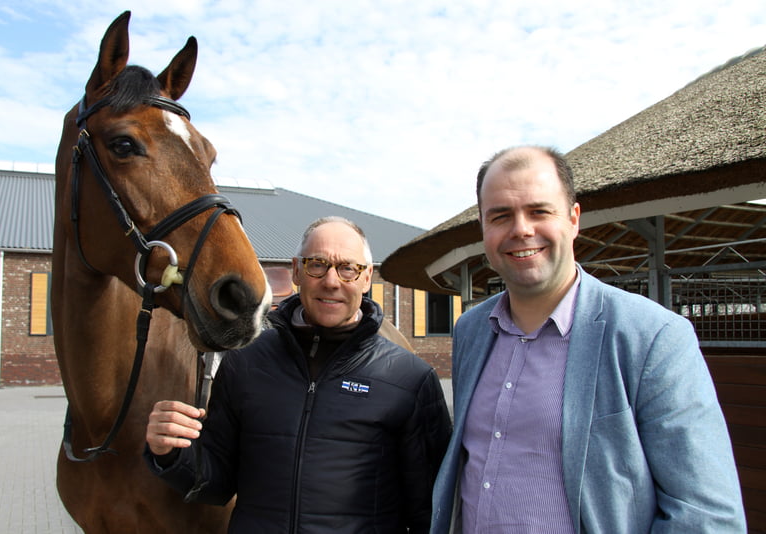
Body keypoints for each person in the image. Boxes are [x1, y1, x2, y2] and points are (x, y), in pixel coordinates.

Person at [431, 146, 746, 533]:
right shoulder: (472, 329)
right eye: (501, 216)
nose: (521, 229)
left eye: (539, 211)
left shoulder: (651, 336)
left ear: (574, 219)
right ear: (483, 227)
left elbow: (707, 515)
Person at [145, 216, 452, 533]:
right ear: (296, 271)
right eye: (317, 264)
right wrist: (170, 453)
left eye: (348, 268)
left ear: (366, 278)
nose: (331, 281)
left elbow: (428, 510)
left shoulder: (410, 379)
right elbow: (217, 484)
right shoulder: (245, 364)